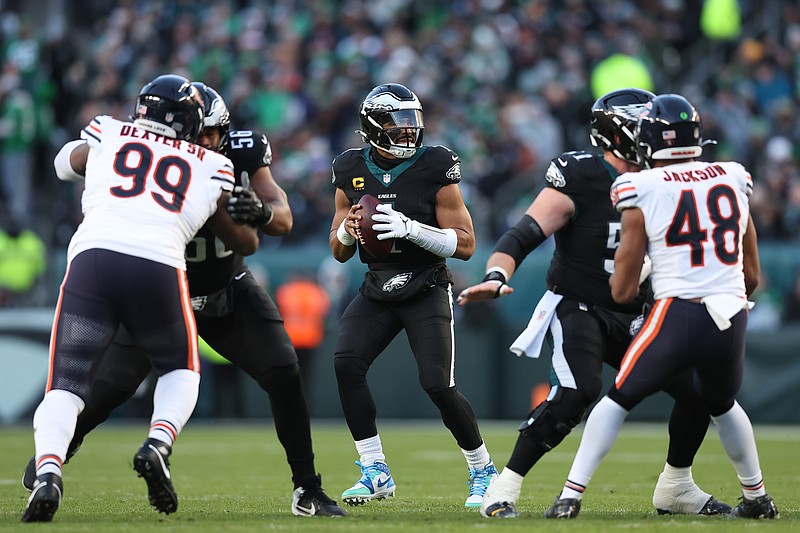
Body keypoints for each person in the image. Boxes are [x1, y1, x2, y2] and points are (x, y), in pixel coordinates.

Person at [21, 82, 347, 518]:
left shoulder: (235, 152)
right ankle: (60, 452)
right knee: (105, 393)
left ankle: (307, 487)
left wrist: (263, 212)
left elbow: (279, 216)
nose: (207, 142)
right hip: (164, 286)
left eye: (214, 136)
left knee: (284, 371)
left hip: (222, 287)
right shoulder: (191, 160)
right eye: (203, 134)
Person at [457, 88, 730, 518]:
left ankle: (676, 485)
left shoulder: (666, 176)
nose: (654, 136)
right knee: (577, 391)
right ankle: (503, 486)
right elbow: (525, 233)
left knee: (699, 389)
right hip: (579, 305)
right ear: (618, 135)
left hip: (640, 312)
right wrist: (496, 275)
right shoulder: (581, 175)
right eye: (644, 128)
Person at [545, 94, 779, 519]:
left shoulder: (640, 185)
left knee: (616, 400)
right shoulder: (734, 175)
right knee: (722, 405)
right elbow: (751, 276)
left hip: (679, 314)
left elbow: (620, 291)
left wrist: (648, 271)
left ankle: (570, 495)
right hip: (731, 316)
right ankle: (757, 497)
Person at [329, 83, 498, 508]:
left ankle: (483, 471)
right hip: (378, 284)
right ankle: (374, 469)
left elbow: (465, 244)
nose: (408, 131)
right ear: (372, 126)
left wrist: (411, 229)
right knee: (347, 364)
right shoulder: (349, 166)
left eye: (411, 122)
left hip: (425, 283)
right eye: (396, 123)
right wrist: (348, 233)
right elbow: (336, 248)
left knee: (438, 384)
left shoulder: (435, 163)